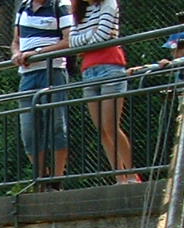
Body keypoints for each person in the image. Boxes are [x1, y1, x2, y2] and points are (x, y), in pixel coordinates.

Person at [71, 0, 137, 183]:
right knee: (101, 129)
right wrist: (88, 39)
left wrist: (85, 41)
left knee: (111, 126)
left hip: (110, 66)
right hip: (88, 70)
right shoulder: (79, 9)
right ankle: (119, 177)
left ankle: (132, 174)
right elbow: (72, 41)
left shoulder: (109, 3)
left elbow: (103, 34)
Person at [12, 0, 74, 188]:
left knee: (56, 125)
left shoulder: (60, 4)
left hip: (53, 71)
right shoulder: (23, 6)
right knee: (29, 132)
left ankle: (56, 179)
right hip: (27, 76)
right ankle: (41, 178)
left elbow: (68, 40)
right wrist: (16, 54)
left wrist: (37, 52)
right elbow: (16, 41)